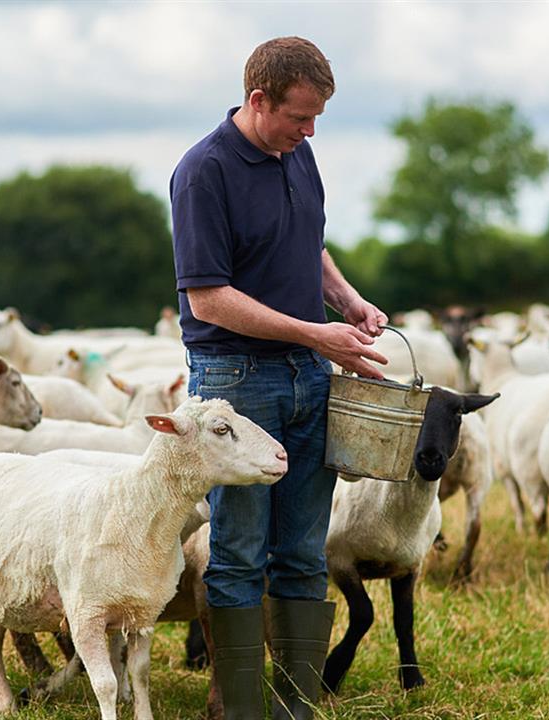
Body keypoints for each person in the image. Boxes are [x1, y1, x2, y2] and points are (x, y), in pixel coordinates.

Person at [169, 36, 389, 720]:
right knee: (237, 552)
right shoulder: (203, 172)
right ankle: (240, 708)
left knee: (302, 550)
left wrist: (345, 300)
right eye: (300, 116)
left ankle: (296, 706)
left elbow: (308, 243)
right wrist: (312, 332)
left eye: (318, 117)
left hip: (306, 375)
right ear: (258, 100)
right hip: (235, 382)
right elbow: (208, 297)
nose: (310, 130)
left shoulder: (298, 155)